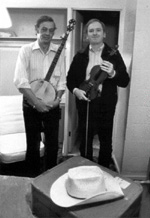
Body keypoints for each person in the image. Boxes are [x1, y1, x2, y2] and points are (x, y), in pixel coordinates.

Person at [67, 18, 130, 169]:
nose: (94, 33)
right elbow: (70, 79)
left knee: (105, 138)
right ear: (86, 35)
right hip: (85, 101)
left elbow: (124, 81)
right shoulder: (80, 54)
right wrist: (76, 91)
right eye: (91, 31)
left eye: (98, 30)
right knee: (86, 137)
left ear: (104, 34)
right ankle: (85, 168)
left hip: (106, 103)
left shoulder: (113, 55)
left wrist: (113, 73)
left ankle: (104, 170)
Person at [14, 15, 66, 176]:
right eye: (44, 29)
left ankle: (50, 179)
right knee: (33, 144)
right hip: (31, 103)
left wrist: (57, 100)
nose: (47, 33)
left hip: (52, 105)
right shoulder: (26, 50)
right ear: (36, 29)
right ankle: (32, 178)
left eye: (51, 30)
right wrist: (37, 103)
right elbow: (20, 81)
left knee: (52, 146)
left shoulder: (59, 51)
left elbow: (62, 81)